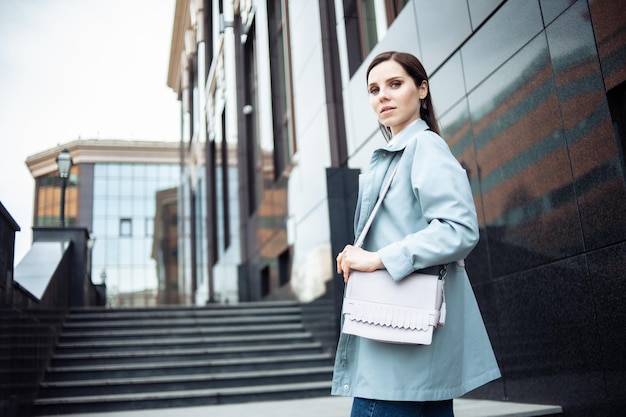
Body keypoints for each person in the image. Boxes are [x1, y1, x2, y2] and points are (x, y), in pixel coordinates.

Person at [332, 51, 501, 417]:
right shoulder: (397, 153)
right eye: (374, 89)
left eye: (395, 84)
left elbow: (459, 229)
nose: (383, 96)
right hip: (405, 340)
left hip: (398, 345)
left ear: (422, 88)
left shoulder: (423, 146)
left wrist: (378, 258)